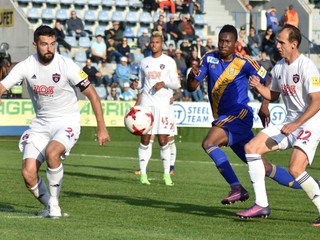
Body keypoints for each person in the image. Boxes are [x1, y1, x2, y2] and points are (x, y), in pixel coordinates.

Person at [0, 25, 110, 218]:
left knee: (52, 153)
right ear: (35, 45)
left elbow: (92, 94)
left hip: (67, 122)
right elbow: (2, 86)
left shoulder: (66, 65)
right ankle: (50, 205)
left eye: (52, 44)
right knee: (28, 174)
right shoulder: (26, 66)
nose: (49, 48)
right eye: (44, 44)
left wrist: (102, 127)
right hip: (40, 124)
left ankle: (54, 203)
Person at [187, 24, 300, 205]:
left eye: (227, 42)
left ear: (235, 44)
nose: (223, 45)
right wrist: (191, 76)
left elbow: (268, 79)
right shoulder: (209, 58)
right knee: (263, 167)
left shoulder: (245, 62)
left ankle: (236, 188)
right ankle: (314, 186)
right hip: (225, 118)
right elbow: (191, 87)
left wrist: (265, 104)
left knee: (209, 143)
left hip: (239, 114)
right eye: (221, 41)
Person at [236, 25, 320, 227]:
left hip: (309, 123)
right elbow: (272, 95)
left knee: (295, 169)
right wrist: (258, 87)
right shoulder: (279, 67)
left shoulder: (307, 66)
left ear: (294, 44)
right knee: (251, 149)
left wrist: (296, 124)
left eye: (282, 42)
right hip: (288, 123)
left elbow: (317, 101)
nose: (278, 45)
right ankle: (261, 205)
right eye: (277, 41)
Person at [134, 31, 180, 186]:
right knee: (145, 139)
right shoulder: (143, 62)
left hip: (163, 106)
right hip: (147, 105)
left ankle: (166, 175)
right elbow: (140, 84)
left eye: (157, 42)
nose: (154, 44)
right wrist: (136, 85)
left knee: (162, 140)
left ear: (162, 44)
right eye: (152, 42)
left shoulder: (169, 62)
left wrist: (164, 83)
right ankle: (143, 174)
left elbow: (176, 84)